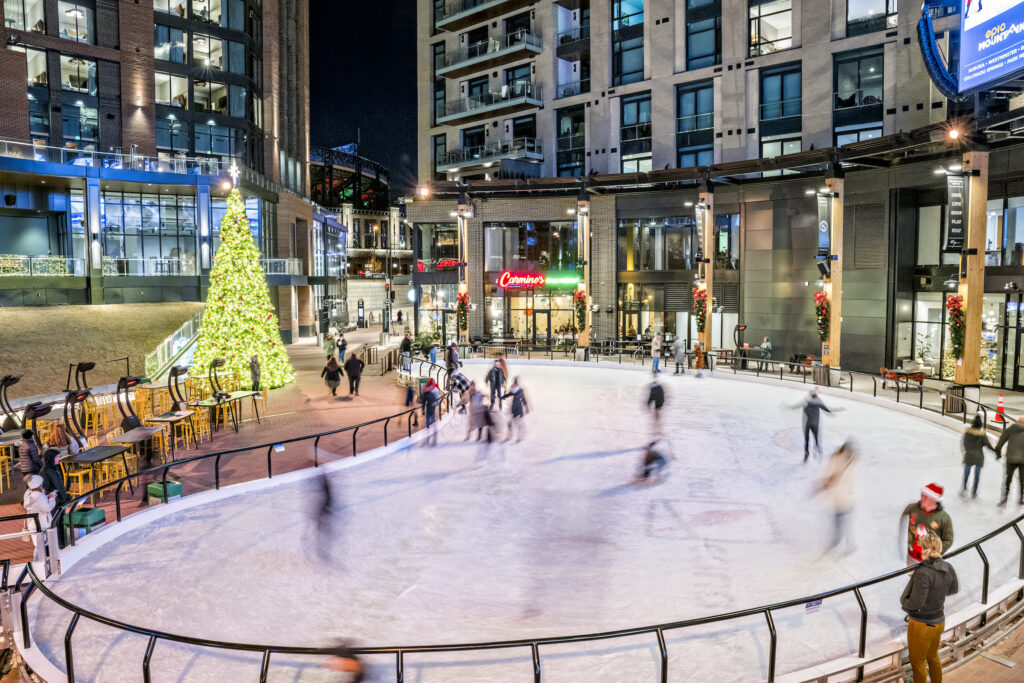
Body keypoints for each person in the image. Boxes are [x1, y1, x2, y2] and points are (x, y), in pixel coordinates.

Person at [901, 531, 959, 683]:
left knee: (917, 660)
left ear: (923, 549)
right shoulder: (948, 567)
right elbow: (953, 589)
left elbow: (916, 603)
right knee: (932, 656)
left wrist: (906, 602)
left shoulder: (923, 572)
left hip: (922, 624)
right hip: (939, 620)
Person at [900, 483, 954, 566]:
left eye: (926, 496)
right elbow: (903, 522)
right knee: (912, 574)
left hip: (931, 561)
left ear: (935, 500)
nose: (922, 498)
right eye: (922, 495)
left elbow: (948, 539)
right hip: (912, 557)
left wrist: (936, 553)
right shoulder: (912, 508)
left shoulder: (943, 517)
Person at [820, 441, 858, 552]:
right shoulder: (845, 462)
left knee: (841, 521)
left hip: (840, 499)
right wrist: (851, 491)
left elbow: (828, 476)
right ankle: (843, 542)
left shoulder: (837, 459)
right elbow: (849, 480)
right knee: (843, 522)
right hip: (843, 499)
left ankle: (840, 541)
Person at [22, 474, 55, 562]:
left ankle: (38, 563)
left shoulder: (28, 493)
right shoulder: (39, 496)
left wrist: (47, 497)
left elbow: (38, 505)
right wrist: (52, 499)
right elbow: (47, 508)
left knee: (39, 545)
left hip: (33, 524)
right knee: (40, 546)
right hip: (42, 524)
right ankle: (36, 564)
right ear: (39, 485)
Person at [961, 414, 993, 499]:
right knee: (977, 475)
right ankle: (974, 491)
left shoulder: (968, 432)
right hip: (979, 456)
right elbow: (987, 445)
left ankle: (964, 488)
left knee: (966, 473)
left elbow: (964, 442)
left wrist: (967, 450)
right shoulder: (982, 434)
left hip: (969, 455)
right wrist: (995, 451)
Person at [994, 415, 1024, 506]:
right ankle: (1021, 498)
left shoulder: (1011, 429)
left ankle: (1005, 498)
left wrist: (998, 453)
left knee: (1008, 478)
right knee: (1022, 480)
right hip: (1023, 460)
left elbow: (1001, 440)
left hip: (1011, 459)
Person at [798, 388, 832, 462]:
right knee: (815, 438)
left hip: (808, 424)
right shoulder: (818, 402)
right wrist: (830, 412)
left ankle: (807, 453)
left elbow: (804, 411)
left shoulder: (807, 403)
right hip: (814, 424)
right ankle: (816, 451)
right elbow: (825, 408)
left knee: (807, 440)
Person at [503, 377, 529, 442]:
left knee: (519, 424)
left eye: (515, 383)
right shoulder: (513, 389)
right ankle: (509, 436)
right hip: (513, 408)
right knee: (510, 423)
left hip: (519, 409)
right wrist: (503, 396)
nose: (514, 384)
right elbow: (509, 394)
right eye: (514, 383)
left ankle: (520, 437)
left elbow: (523, 399)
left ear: (517, 383)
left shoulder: (520, 390)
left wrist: (526, 407)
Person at [420, 377, 441, 446]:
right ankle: (429, 436)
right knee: (429, 423)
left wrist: (435, 403)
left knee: (431, 422)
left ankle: (432, 437)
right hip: (429, 410)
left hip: (431, 410)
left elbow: (436, 400)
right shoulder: (428, 393)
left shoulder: (434, 391)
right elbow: (423, 402)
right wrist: (423, 410)